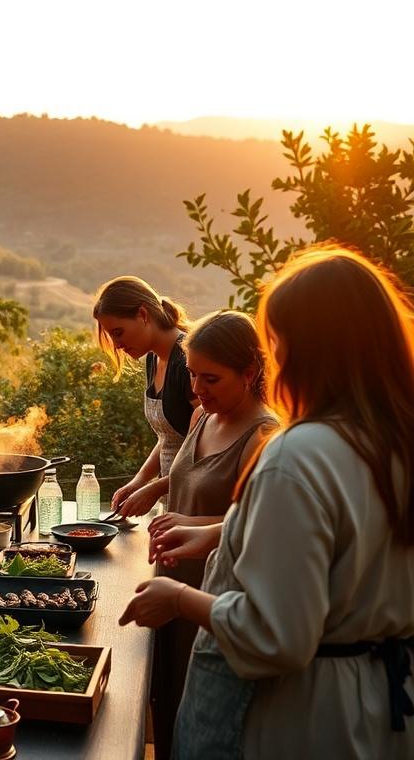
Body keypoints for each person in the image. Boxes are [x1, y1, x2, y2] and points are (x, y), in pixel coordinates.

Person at [120, 245, 414, 759]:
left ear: (303, 351)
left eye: (276, 341)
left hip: (311, 715)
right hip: (387, 704)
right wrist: (219, 531)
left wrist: (179, 598)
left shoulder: (297, 455)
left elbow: (275, 635)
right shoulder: (395, 443)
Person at [146, 310, 278, 760]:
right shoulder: (203, 416)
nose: (197, 390)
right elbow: (188, 475)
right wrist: (154, 487)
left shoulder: (263, 437)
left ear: (250, 373)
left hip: (212, 601)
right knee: (167, 711)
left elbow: (258, 522)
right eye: (192, 375)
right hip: (173, 587)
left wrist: (189, 523)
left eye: (211, 379)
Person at [93, 276, 197, 517]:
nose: (117, 345)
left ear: (143, 314)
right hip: (172, 498)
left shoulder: (188, 362)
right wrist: (138, 482)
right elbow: (169, 438)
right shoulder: (152, 358)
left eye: (118, 332)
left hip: (196, 501)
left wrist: (153, 489)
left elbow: (206, 447)